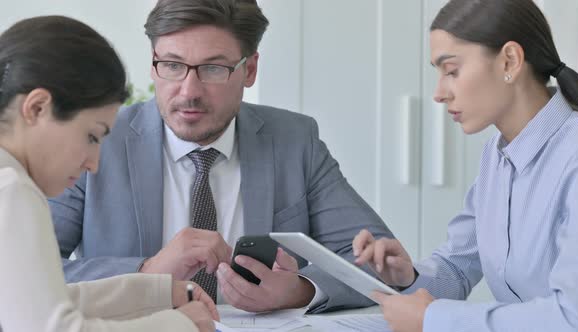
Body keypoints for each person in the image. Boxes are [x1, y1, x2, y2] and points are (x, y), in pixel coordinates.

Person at [49, 0, 393, 313]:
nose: (189, 91)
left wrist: (300, 290)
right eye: (172, 65)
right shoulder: (101, 140)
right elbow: (22, 269)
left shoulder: (294, 141)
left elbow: (378, 260)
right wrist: (146, 273)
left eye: (213, 69)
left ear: (250, 69)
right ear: (153, 64)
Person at [353, 0, 578, 331]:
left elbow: (575, 318)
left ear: (510, 60)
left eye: (451, 71)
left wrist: (434, 319)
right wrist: (408, 275)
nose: (438, 93)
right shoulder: (497, 154)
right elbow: (458, 267)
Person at [0, 15, 219, 332]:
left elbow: (43, 301)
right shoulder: (13, 190)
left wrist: (154, 291)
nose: (94, 163)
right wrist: (179, 325)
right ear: (37, 109)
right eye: (91, 136)